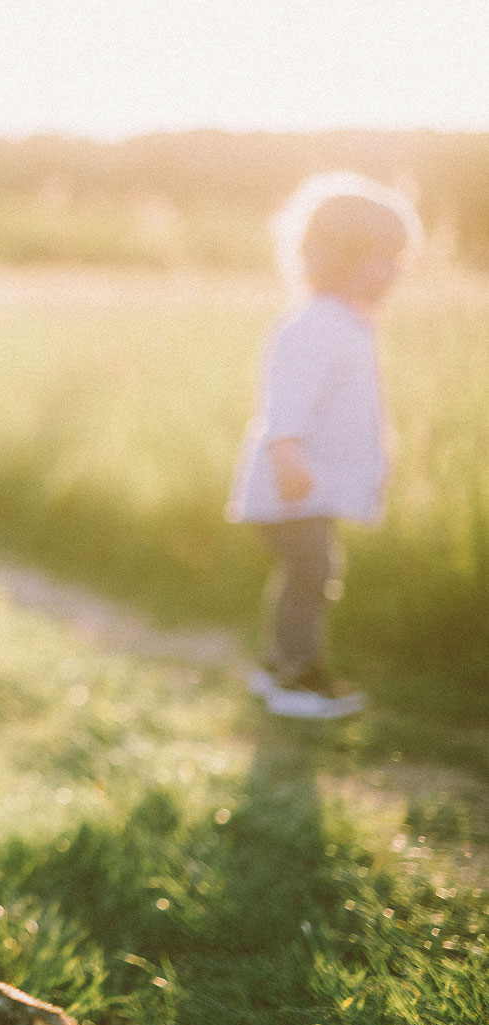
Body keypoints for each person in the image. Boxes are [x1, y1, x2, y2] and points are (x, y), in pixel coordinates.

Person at [227, 172, 422, 720]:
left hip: (312, 482)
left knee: (305, 574)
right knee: (311, 574)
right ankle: (297, 678)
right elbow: (285, 400)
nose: (394, 273)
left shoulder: (348, 323)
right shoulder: (315, 323)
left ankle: (277, 669)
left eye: (398, 259)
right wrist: (287, 455)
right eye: (381, 258)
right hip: (295, 481)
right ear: (336, 257)